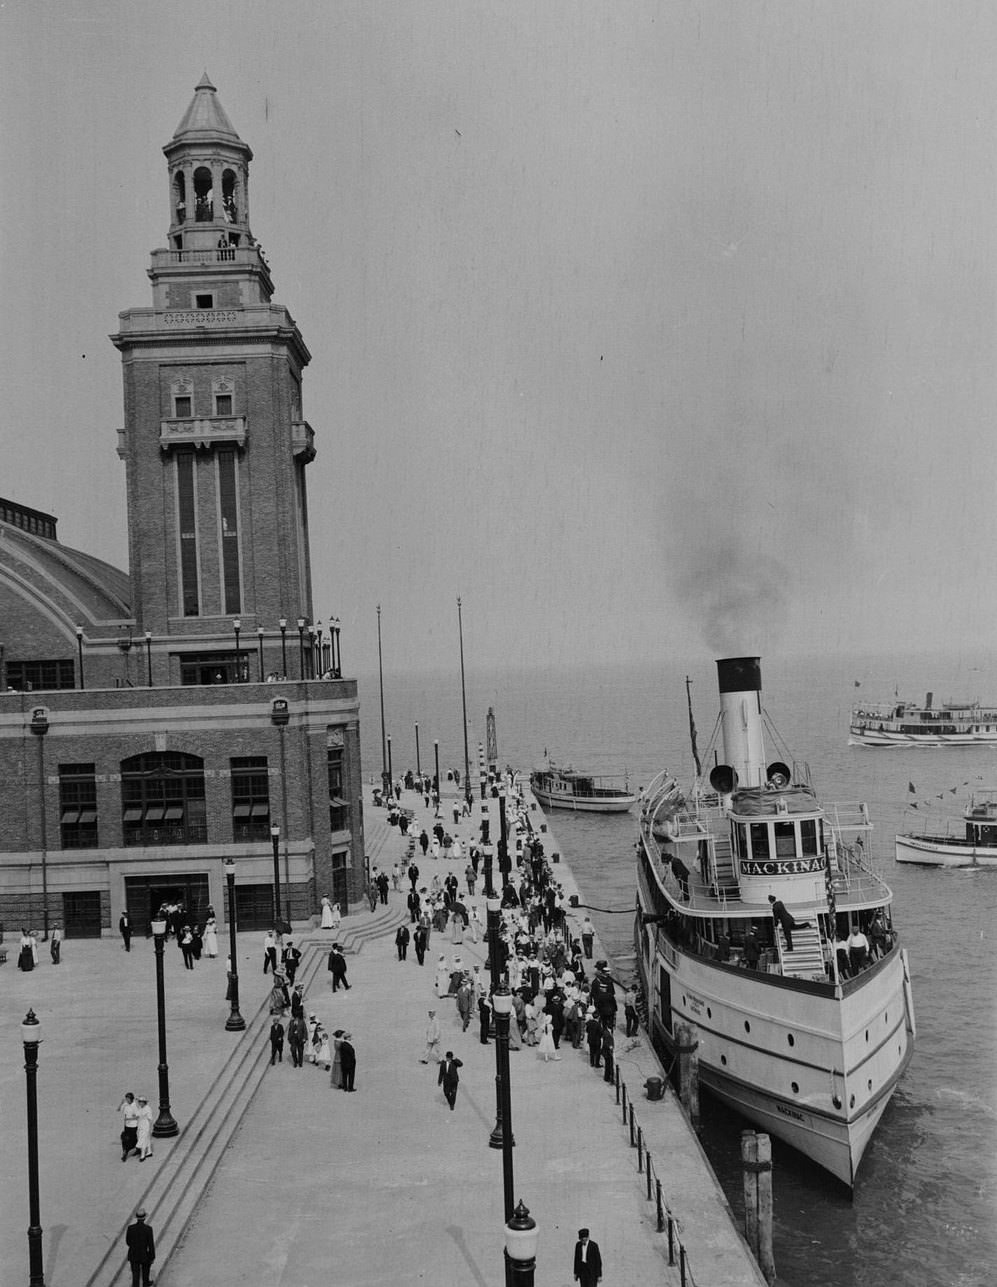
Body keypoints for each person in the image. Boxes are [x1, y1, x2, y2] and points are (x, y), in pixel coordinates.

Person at [125, 1208, 156, 1287]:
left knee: (135, 1275)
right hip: (144, 1255)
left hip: (133, 1254)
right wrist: (152, 1257)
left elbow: (128, 1242)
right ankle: (146, 1283)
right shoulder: (148, 1229)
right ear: (144, 1218)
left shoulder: (130, 1228)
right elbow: (151, 1245)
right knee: (145, 1273)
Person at [119, 1092, 140, 1161]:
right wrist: (121, 1103)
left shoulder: (135, 1106)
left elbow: (137, 1116)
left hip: (133, 1126)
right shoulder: (126, 1105)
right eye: (126, 1099)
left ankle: (137, 1149)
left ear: (131, 1099)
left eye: (128, 1099)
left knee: (132, 1139)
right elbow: (119, 1110)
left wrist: (129, 1119)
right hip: (127, 1125)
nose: (127, 1100)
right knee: (125, 1139)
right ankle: (125, 1152)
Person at [135, 1095, 154, 1161]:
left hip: (145, 1126)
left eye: (141, 1102)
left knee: (143, 1140)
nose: (140, 1103)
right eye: (139, 1101)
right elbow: (137, 1114)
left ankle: (142, 1155)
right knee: (146, 1139)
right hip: (141, 1125)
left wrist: (149, 1127)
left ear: (144, 1102)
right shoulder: (140, 1108)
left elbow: (150, 1118)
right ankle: (149, 1152)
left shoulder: (147, 1108)